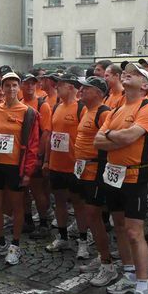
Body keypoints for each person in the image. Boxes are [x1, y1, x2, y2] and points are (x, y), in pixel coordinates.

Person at [93, 63, 148, 294]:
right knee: (118, 225)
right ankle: (129, 274)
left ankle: (143, 291)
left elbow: (132, 136)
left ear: (144, 86)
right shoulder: (117, 107)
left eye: (136, 73)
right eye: (126, 71)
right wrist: (115, 136)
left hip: (134, 176)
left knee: (134, 232)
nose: (127, 73)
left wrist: (111, 135)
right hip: (113, 174)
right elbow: (98, 141)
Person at [0, 72, 39, 265]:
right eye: (7, 85)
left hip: (16, 165)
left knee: (17, 207)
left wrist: (28, 172)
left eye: (15, 85)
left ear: (20, 87)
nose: (11, 89)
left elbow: (33, 144)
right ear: (2, 88)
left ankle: (15, 245)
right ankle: (0, 241)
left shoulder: (28, 112)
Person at [74, 76, 117, 286]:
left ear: (99, 93)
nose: (81, 90)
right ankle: (102, 256)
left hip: (96, 172)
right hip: (84, 170)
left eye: (86, 88)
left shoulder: (104, 112)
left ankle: (108, 265)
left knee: (93, 215)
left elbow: (109, 143)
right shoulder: (85, 110)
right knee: (89, 215)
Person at [44, 74, 88, 258]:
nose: (57, 88)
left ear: (71, 87)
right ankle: (62, 237)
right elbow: (51, 136)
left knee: (79, 204)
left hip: (75, 165)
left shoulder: (81, 108)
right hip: (56, 164)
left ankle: (83, 241)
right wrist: (46, 160)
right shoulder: (56, 107)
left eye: (60, 85)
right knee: (59, 202)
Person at [20, 74, 52, 239]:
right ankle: (27, 220)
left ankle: (44, 222)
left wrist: (40, 155)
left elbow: (46, 132)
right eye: (26, 84)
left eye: (33, 84)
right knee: (23, 189)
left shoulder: (42, 105)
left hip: (35, 154)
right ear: (21, 86)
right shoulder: (20, 103)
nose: (30, 86)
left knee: (37, 189)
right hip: (21, 155)